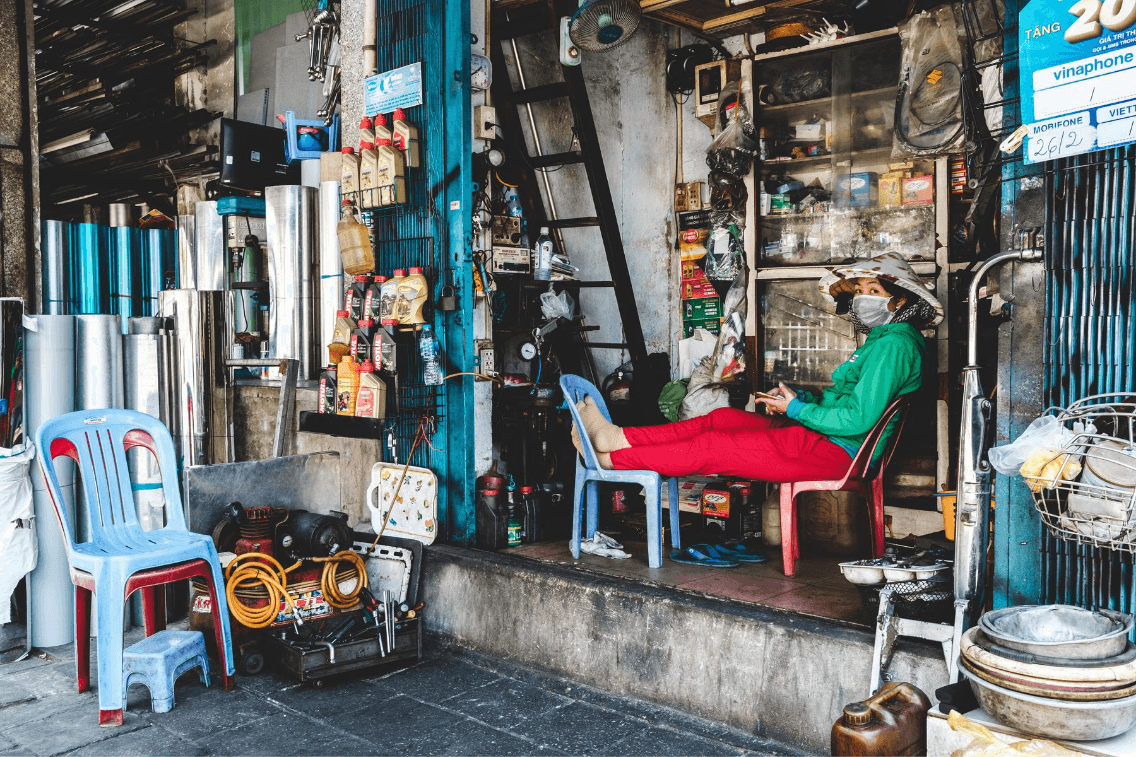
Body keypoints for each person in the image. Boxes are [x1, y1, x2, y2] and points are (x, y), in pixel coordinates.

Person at [571, 253, 943, 482]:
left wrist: (795, 409)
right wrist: (802, 400)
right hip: (824, 439)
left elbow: (857, 420)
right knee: (721, 420)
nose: (862, 299)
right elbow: (849, 405)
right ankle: (619, 437)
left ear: (899, 302)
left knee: (714, 447)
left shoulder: (895, 345)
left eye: (873, 292)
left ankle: (610, 458)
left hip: (838, 452)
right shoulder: (884, 341)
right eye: (861, 290)